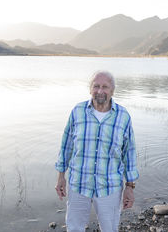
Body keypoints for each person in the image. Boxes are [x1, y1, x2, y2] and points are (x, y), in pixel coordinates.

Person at [55, 71, 139, 232]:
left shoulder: (123, 116)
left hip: (109, 187)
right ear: (90, 89)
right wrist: (60, 177)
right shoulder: (77, 111)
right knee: (74, 229)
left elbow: (129, 153)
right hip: (78, 184)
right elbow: (66, 146)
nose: (100, 91)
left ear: (112, 90)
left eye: (105, 87)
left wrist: (130, 187)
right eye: (96, 86)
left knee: (109, 229)